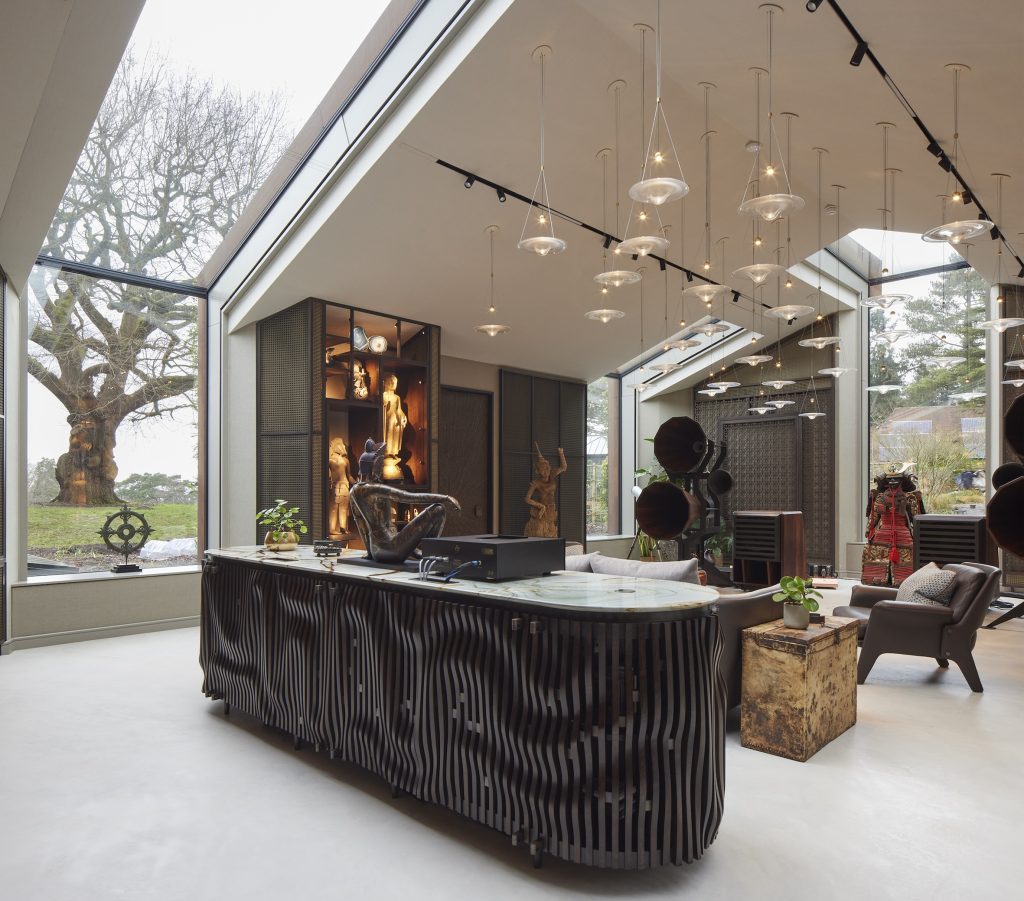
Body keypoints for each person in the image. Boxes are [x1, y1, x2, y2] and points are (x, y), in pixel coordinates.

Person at [349, 481, 460, 563]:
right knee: (438, 509)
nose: (380, 469)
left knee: (439, 509)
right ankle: (428, 553)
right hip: (389, 548)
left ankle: (426, 554)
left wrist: (370, 553)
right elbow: (407, 497)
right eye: (379, 464)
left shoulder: (354, 491)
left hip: (379, 549)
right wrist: (445, 498)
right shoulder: (368, 489)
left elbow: (360, 523)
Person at [861, 463, 925, 586]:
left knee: (906, 554)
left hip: (903, 532)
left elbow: (916, 518)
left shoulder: (910, 498)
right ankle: (877, 578)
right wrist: (869, 529)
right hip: (883, 531)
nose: (893, 482)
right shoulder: (880, 498)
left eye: (896, 479)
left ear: (902, 481)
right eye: (890, 479)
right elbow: (874, 516)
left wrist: (920, 533)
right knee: (874, 551)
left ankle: (904, 581)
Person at [524, 442, 567, 538]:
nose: (546, 471)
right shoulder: (536, 483)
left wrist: (561, 453)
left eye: (547, 468)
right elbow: (527, 499)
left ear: (549, 468)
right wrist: (540, 506)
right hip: (541, 510)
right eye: (542, 470)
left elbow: (564, 467)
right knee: (540, 531)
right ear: (537, 471)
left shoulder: (552, 474)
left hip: (551, 509)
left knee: (551, 531)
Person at [328, 437, 354, 536]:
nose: (343, 446)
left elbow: (349, 475)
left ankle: (343, 527)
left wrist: (355, 482)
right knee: (333, 508)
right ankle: (332, 528)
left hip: (345, 485)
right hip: (334, 485)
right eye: (341, 444)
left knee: (344, 508)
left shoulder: (346, 460)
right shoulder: (330, 460)